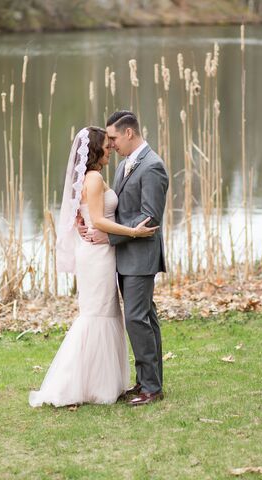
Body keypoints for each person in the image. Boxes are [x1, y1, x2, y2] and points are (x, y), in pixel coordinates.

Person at [29, 126, 158, 408]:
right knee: (97, 315)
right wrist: (133, 232)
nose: (110, 148)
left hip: (97, 252)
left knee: (103, 314)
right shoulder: (95, 178)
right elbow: (98, 221)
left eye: (112, 143)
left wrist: (82, 219)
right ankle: (78, 383)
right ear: (94, 151)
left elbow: (83, 213)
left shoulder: (86, 179)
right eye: (106, 145)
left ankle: (100, 383)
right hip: (98, 254)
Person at [80, 111, 169, 406]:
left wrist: (109, 236)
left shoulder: (153, 166)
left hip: (141, 257)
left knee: (136, 319)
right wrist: (89, 223)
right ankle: (147, 381)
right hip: (123, 255)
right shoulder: (123, 167)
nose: (112, 144)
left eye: (115, 138)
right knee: (145, 318)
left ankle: (152, 388)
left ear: (129, 133)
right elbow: (114, 211)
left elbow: (150, 218)